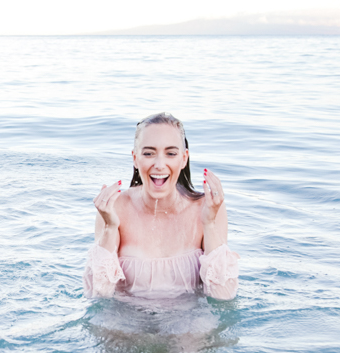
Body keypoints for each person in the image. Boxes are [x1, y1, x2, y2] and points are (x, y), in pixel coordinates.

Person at [84, 113, 239, 301]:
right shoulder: (113, 208)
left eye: (171, 153)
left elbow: (223, 296)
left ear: (184, 159)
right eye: (148, 153)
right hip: (126, 322)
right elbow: (98, 295)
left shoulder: (208, 208)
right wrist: (110, 227)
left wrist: (210, 224)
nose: (159, 164)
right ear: (135, 158)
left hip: (189, 324)